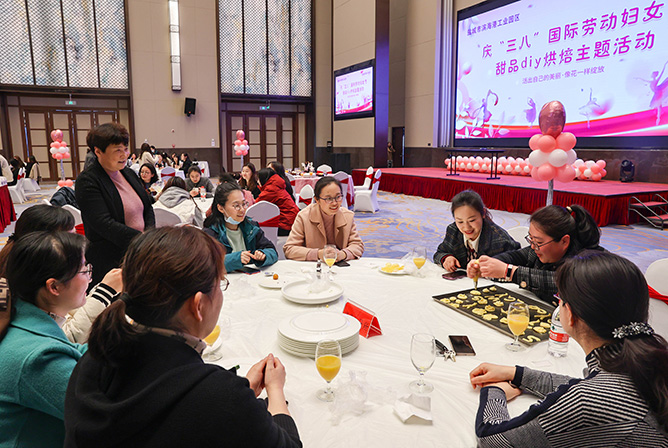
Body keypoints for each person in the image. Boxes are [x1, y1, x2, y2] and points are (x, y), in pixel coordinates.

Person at [64, 227, 302, 447]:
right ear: (198, 305)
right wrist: (275, 390)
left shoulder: (93, 360)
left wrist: (242, 391)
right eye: (220, 284)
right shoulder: (220, 397)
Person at [470, 251, 668, 447]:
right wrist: (517, 374)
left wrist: (494, 390)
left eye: (560, 298)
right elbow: (592, 388)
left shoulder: (588, 401)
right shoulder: (648, 358)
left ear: (570, 314)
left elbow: (493, 440)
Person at [0, 232, 89, 448]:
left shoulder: (21, 319)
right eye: (84, 270)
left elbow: (73, 350)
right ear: (54, 287)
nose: (89, 277)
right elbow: (102, 416)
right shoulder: (38, 358)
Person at [0, 204, 123, 344]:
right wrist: (104, 292)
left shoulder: (26, 271)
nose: (74, 242)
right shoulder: (19, 288)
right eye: (67, 237)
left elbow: (68, 314)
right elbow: (64, 338)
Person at [467, 204, 603, 304]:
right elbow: (515, 256)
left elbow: (562, 281)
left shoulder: (591, 262)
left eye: (538, 242)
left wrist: (510, 272)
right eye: (531, 239)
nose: (533, 246)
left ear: (564, 241)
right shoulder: (538, 250)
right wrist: (485, 265)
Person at [75, 123, 155, 285]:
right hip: (111, 259)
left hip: (140, 252)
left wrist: (149, 235)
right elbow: (102, 223)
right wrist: (141, 240)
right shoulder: (88, 180)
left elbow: (147, 206)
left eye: (126, 149)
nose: (124, 155)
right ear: (98, 151)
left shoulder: (128, 173)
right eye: (118, 150)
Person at [434, 190, 519, 272]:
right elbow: (439, 253)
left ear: (483, 213)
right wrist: (447, 258)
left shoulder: (499, 240)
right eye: (460, 221)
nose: (466, 227)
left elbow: (516, 266)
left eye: (472, 220)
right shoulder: (453, 230)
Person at [284, 177, 364, 261]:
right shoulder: (304, 216)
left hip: (339, 264)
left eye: (338, 197)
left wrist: (343, 254)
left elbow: (357, 245)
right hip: (312, 266)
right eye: (328, 199)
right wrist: (318, 254)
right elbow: (289, 249)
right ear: (317, 200)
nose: (334, 203)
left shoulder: (347, 216)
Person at [203, 183, 277, 272]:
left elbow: (272, 251)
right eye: (236, 206)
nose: (242, 209)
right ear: (221, 208)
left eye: (244, 204)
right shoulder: (211, 233)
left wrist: (263, 255)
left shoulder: (251, 227)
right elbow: (207, 263)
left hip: (250, 277)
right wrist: (236, 259)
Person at [256, 168, 300, 236]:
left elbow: (255, 206)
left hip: (286, 225)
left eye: (258, 179)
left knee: (256, 229)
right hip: (293, 221)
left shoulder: (271, 189)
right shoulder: (276, 185)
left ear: (263, 179)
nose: (257, 181)